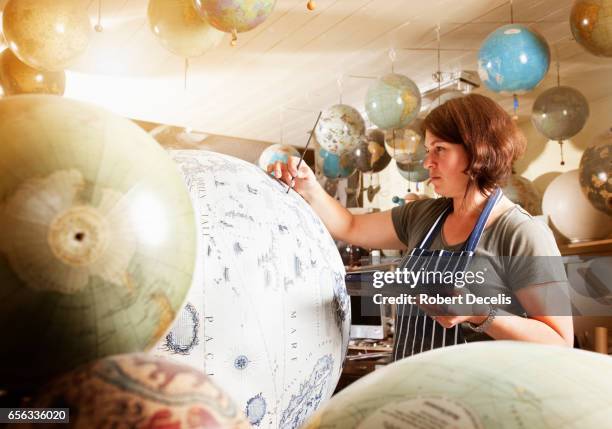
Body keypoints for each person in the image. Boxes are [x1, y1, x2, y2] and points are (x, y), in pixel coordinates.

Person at [269, 94, 573, 359]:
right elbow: (349, 226)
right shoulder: (423, 216)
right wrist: (309, 186)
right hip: (413, 398)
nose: (427, 162)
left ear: (478, 151)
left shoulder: (521, 234)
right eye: (428, 150)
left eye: (439, 149)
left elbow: (559, 343)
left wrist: (480, 313)